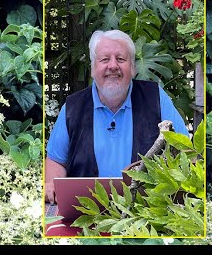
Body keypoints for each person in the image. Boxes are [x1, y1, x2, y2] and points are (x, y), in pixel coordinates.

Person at [45, 29, 189, 203]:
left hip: (145, 211)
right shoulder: (72, 107)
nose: (113, 66)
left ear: (133, 68)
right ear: (92, 68)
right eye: (105, 59)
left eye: (120, 59)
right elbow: (56, 161)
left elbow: (185, 149)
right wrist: (51, 184)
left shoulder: (156, 98)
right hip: (84, 211)